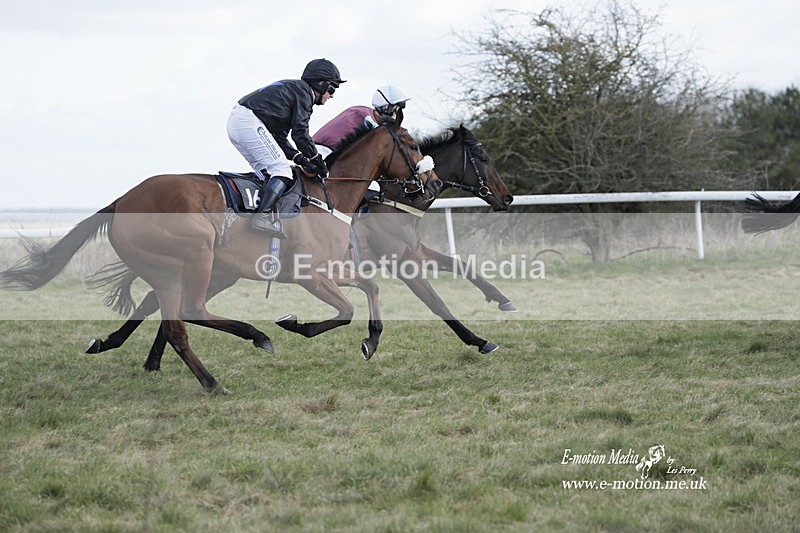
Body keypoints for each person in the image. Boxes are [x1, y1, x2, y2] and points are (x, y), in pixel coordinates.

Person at [227, 58, 345, 236]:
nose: (332, 95)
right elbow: (301, 134)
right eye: (332, 89)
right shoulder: (305, 94)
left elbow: (280, 138)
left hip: (241, 122)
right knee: (281, 170)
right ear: (321, 83)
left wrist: (300, 158)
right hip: (247, 121)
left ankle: (254, 214)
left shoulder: (296, 91)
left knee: (268, 172)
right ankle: (262, 218)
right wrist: (316, 159)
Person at [312, 85, 410, 154]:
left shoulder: (365, 113)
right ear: (385, 107)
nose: (397, 115)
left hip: (331, 152)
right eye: (396, 109)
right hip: (321, 150)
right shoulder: (368, 120)